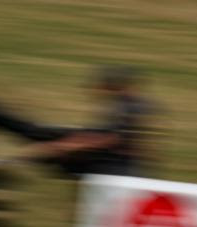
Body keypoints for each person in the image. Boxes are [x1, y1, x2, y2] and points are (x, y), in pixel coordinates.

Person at [24, 66, 157, 177]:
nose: (98, 91)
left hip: (122, 168)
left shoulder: (129, 107)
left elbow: (113, 138)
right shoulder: (134, 104)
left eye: (102, 86)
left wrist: (68, 146)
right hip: (127, 164)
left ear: (114, 86)